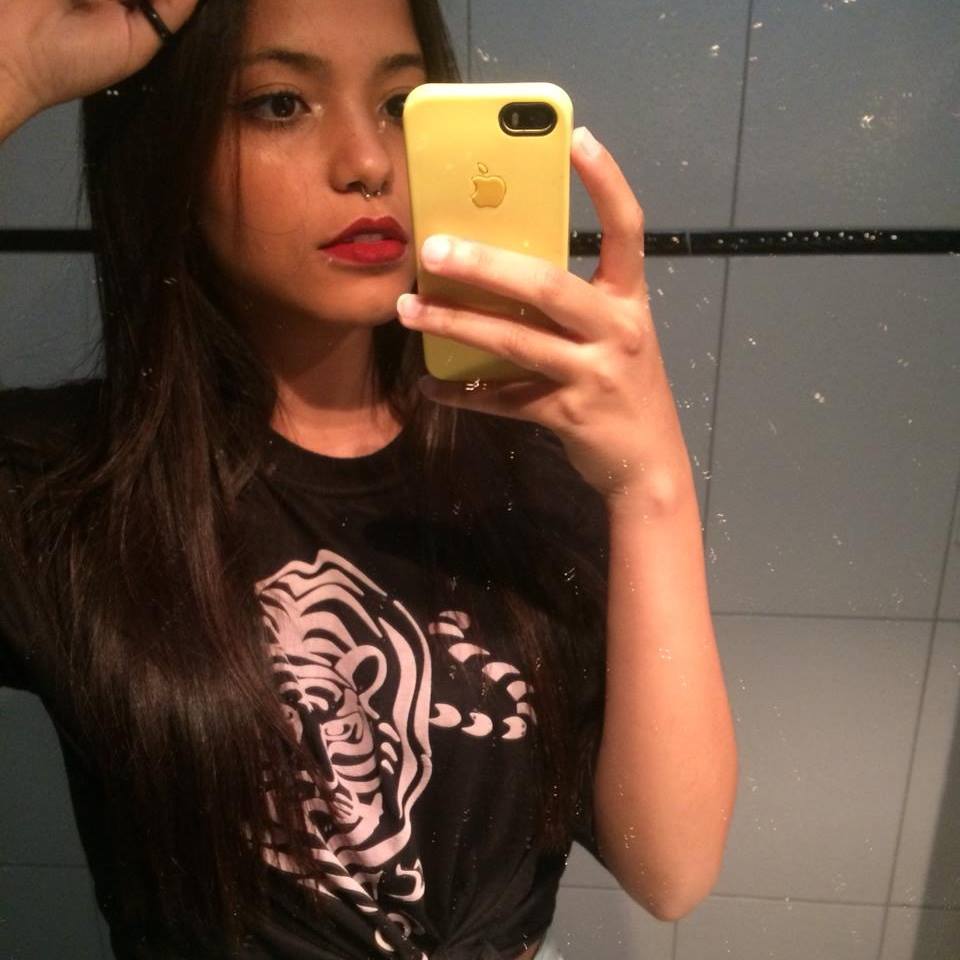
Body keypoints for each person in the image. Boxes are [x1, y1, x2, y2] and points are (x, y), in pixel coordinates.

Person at [0, 1, 739, 958]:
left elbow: (670, 868)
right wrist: (12, 75)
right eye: (279, 104)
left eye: (399, 105)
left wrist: (652, 486)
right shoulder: (65, 485)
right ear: (167, 144)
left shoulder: (531, 463)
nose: (368, 161)